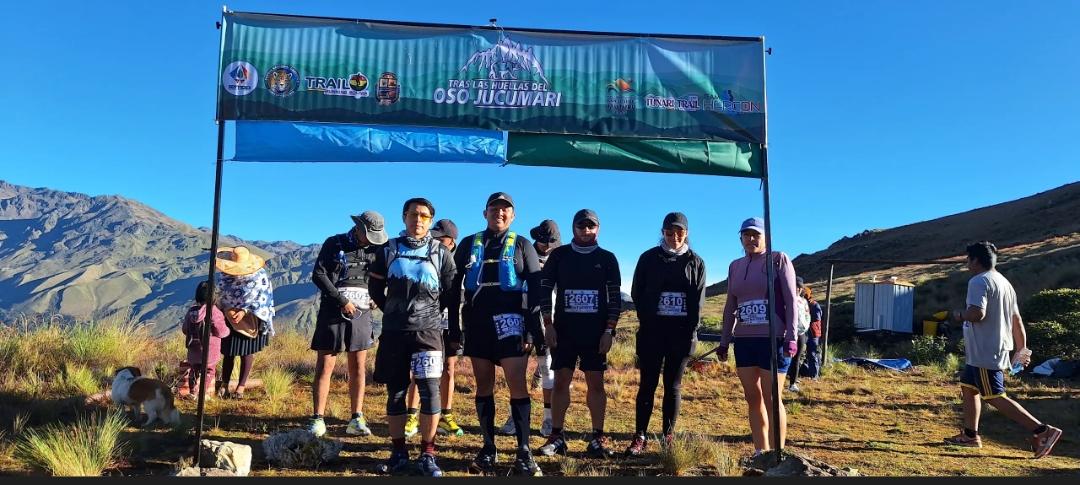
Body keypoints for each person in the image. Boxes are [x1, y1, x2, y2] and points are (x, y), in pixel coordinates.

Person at [447, 192, 544, 476]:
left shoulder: (523, 245)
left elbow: (536, 292)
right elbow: (453, 288)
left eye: (505, 210)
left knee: (517, 383)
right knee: (483, 386)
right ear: (485, 212)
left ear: (513, 216)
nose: (499, 213)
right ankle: (488, 448)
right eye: (494, 208)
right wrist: (455, 328)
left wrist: (531, 330)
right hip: (478, 323)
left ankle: (524, 452)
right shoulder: (468, 244)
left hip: (512, 322)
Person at [943, 241, 1062, 458]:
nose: (966, 264)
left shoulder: (978, 281)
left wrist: (959, 315)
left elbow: (977, 313)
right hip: (987, 350)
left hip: (985, 351)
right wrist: (1022, 348)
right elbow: (1016, 319)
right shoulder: (1005, 283)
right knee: (969, 388)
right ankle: (970, 436)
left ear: (976, 260)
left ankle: (1043, 431)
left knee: (994, 396)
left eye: (968, 259)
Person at [368, 198, 457, 476]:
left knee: (430, 391)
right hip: (394, 332)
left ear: (430, 221)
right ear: (404, 217)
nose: (418, 220)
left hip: (428, 333)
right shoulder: (388, 249)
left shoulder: (441, 252)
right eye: (413, 215)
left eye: (424, 216)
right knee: (396, 392)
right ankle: (398, 453)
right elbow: (374, 289)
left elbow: (451, 294)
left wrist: (432, 317)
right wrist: (392, 312)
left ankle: (428, 454)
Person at [537, 209, 622, 459]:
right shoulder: (560, 256)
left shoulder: (607, 258)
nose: (586, 231)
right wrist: (548, 324)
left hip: (595, 333)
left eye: (590, 226)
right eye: (581, 226)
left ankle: (597, 437)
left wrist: (609, 330)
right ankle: (557, 436)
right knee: (561, 381)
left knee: (596, 383)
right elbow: (544, 290)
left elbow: (615, 299)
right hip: (564, 330)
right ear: (573, 228)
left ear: (598, 228)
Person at [624, 212, 706, 456]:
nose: (674, 237)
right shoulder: (648, 258)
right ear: (663, 232)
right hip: (652, 333)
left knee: (673, 386)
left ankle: (668, 436)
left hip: (681, 335)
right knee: (647, 384)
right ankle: (640, 436)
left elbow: (699, 300)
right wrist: (649, 318)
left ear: (687, 233)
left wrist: (691, 330)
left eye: (679, 232)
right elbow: (637, 292)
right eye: (669, 232)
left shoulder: (696, 262)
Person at [717, 217, 797, 457]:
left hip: (773, 340)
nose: (751, 239)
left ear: (765, 237)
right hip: (744, 341)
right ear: (740, 238)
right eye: (746, 235)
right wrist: (724, 340)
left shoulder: (778, 259)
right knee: (752, 398)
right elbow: (730, 304)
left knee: (772, 398)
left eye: (756, 235)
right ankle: (760, 451)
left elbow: (791, 300)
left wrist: (791, 337)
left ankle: (778, 454)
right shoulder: (734, 266)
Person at [307, 211, 389, 438]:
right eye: (369, 235)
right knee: (325, 366)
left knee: (358, 367)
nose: (371, 240)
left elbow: (382, 278)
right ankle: (317, 419)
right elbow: (319, 275)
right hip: (333, 311)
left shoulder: (378, 249)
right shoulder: (334, 243)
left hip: (362, 314)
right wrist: (342, 301)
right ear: (359, 228)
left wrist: (376, 297)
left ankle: (357, 417)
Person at [403, 218, 466, 439]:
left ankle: (446, 415)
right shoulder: (427, 252)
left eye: (441, 237)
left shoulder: (461, 259)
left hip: (450, 321)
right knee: (420, 366)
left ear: (451, 240)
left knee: (449, 368)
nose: (435, 239)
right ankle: (412, 414)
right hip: (425, 320)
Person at [498, 219, 560, 438]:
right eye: (542, 240)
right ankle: (515, 417)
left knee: (547, 372)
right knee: (517, 372)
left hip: (547, 323)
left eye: (550, 241)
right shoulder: (523, 253)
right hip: (521, 320)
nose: (546, 245)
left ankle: (548, 417)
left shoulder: (560, 260)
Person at [215, 246, 276, 400]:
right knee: (228, 352)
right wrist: (227, 310)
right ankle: (225, 384)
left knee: (246, 352)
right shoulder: (225, 275)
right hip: (228, 317)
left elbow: (263, 298)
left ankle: (240, 387)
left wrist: (244, 311)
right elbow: (221, 295)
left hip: (251, 319)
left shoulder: (259, 277)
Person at [180, 280, 230, 400]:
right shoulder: (215, 312)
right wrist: (228, 331)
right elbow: (221, 332)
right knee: (209, 372)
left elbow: (185, 329)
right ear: (214, 297)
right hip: (210, 351)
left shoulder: (191, 311)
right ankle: (200, 393)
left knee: (194, 370)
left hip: (193, 349)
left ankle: (192, 391)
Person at [787, 277, 812, 393]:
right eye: (796, 286)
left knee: (797, 358)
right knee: (784, 356)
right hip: (787, 332)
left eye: (799, 287)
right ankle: (777, 380)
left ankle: (792, 383)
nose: (797, 289)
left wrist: (805, 326)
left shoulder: (804, 301)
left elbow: (807, 315)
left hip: (801, 333)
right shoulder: (786, 298)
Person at [801, 284, 823, 380]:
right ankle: (809, 373)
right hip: (805, 332)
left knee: (812, 353)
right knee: (806, 354)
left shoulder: (814, 305)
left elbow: (817, 318)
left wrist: (806, 317)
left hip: (813, 333)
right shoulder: (803, 304)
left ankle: (814, 375)